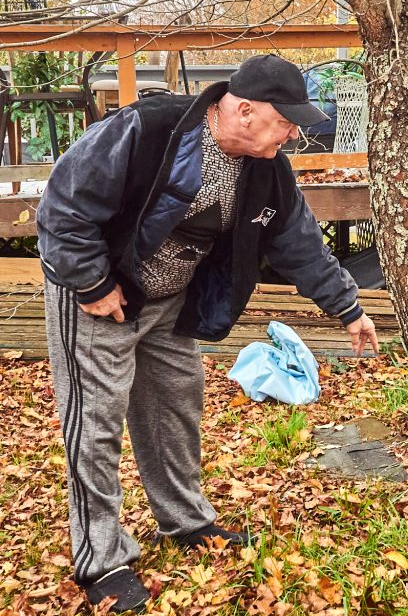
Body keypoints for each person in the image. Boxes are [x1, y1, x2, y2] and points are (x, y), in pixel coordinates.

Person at [36, 54, 378, 613]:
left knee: (177, 405)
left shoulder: (267, 169)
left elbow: (298, 241)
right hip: (101, 298)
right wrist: (91, 282)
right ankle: (102, 559)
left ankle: (185, 522)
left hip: (172, 301)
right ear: (243, 111)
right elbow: (64, 205)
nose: (293, 135)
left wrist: (346, 306)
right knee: (95, 423)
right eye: (285, 122)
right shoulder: (147, 129)